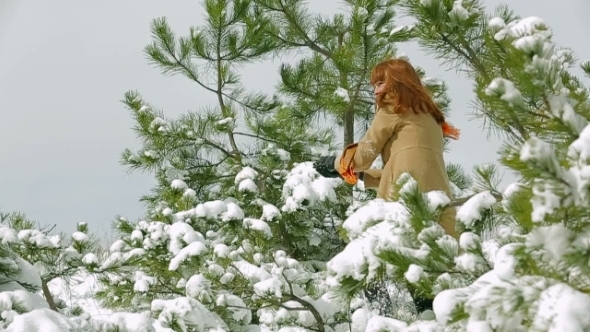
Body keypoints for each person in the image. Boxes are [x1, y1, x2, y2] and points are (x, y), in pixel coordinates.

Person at [314, 58, 460, 317]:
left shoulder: (393, 106)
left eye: (381, 82)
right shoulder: (429, 119)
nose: (376, 91)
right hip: (439, 210)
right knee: (425, 287)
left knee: (368, 264)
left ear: (398, 82)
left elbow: (364, 155)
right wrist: (360, 177)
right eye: (374, 85)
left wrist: (337, 163)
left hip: (402, 207)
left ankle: (382, 321)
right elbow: (405, 167)